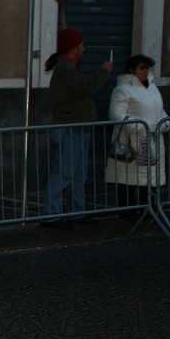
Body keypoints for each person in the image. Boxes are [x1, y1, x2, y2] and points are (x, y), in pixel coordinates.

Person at [41, 28, 113, 229]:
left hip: (78, 126)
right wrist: (103, 72)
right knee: (64, 172)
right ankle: (51, 214)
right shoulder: (65, 69)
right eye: (81, 46)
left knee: (78, 174)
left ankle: (76, 211)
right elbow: (86, 88)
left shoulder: (68, 68)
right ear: (73, 49)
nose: (84, 50)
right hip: (70, 127)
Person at [104, 55, 168, 220]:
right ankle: (128, 210)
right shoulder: (123, 89)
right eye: (142, 68)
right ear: (132, 70)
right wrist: (141, 125)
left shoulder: (152, 87)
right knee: (129, 177)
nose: (146, 71)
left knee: (151, 176)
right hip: (132, 140)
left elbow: (160, 110)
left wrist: (165, 123)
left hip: (153, 139)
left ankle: (151, 208)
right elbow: (116, 114)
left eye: (148, 68)